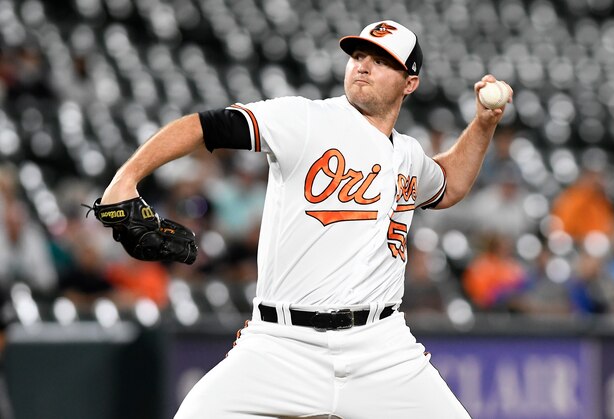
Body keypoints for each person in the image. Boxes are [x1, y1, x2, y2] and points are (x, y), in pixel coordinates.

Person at [99, 20, 511, 419]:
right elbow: (204, 127)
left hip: (381, 347)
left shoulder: (409, 155)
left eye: (382, 61)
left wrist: (484, 122)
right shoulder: (305, 119)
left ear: (410, 83)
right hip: (282, 343)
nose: (363, 65)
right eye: (359, 55)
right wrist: (125, 179)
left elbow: (449, 184)